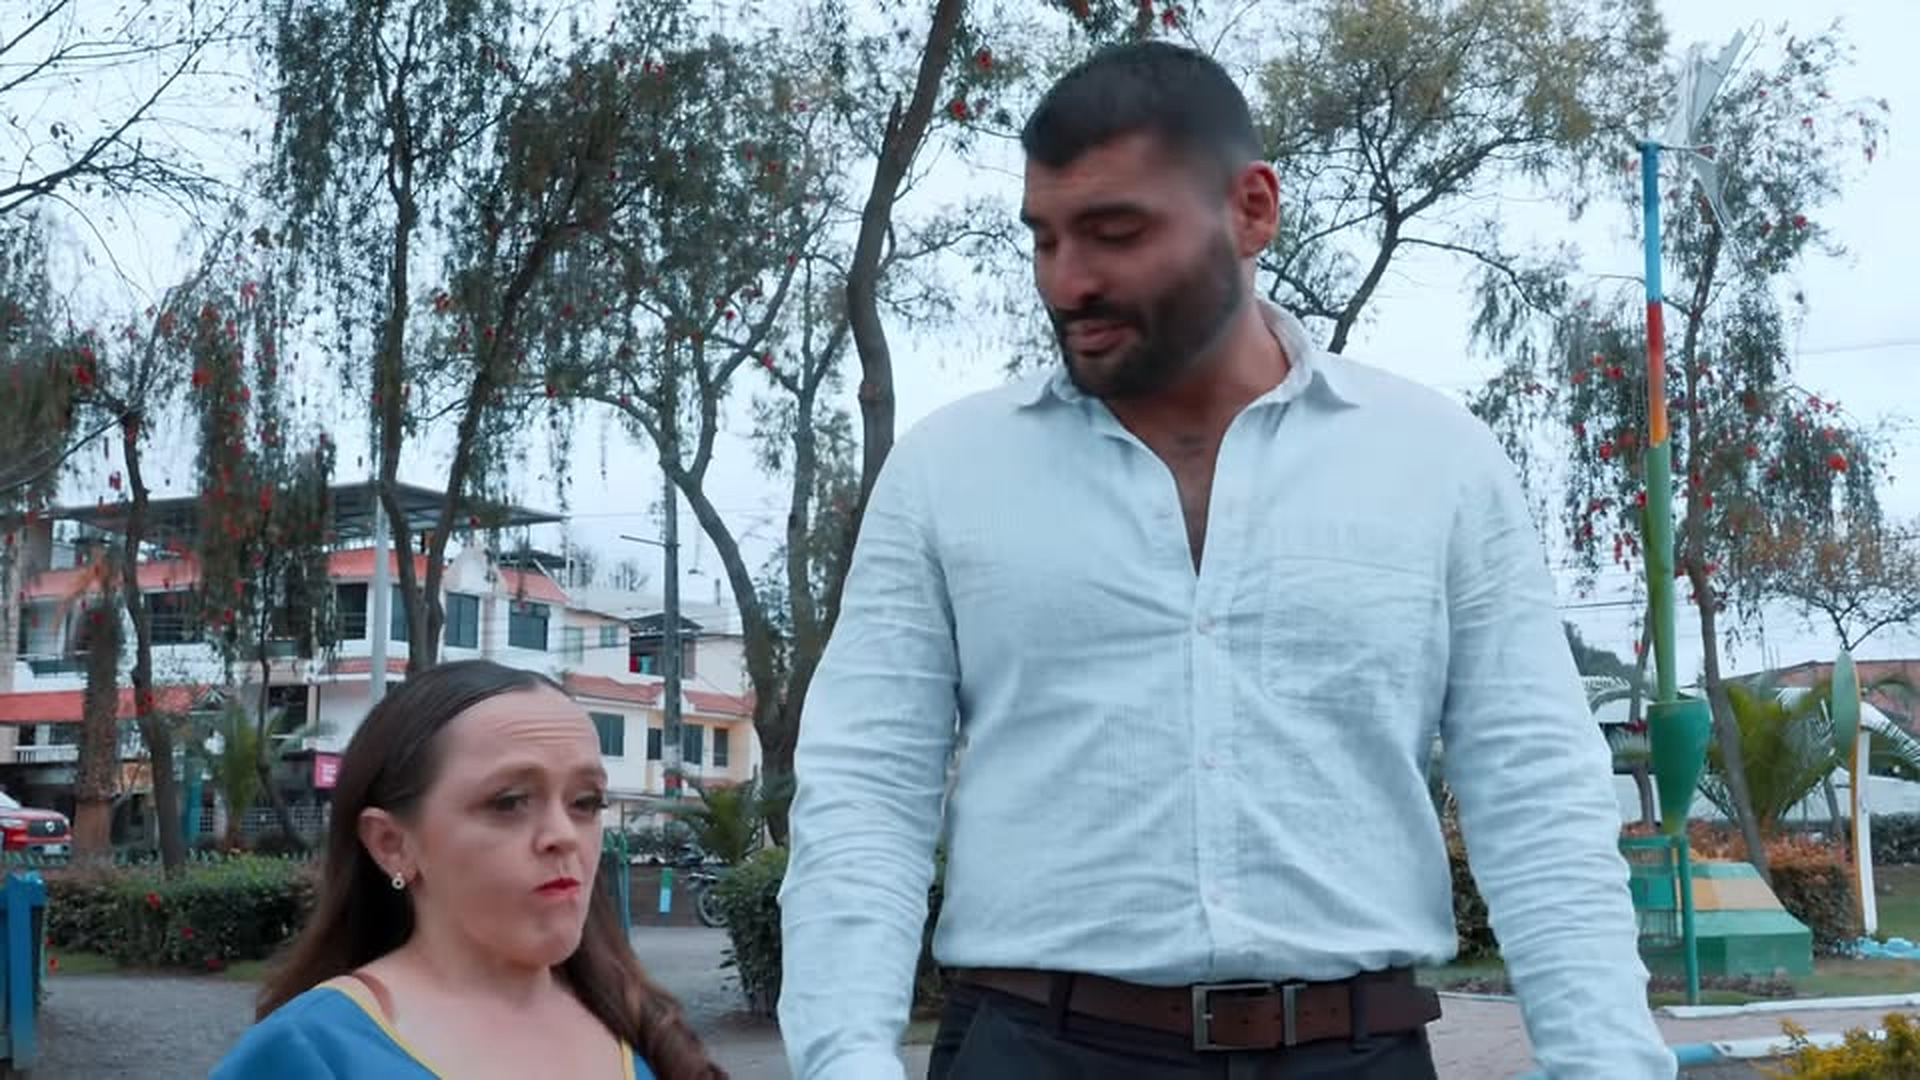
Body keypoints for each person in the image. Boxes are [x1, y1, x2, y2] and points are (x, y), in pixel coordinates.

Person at [777, 40, 1675, 1080]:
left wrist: (1606, 1062)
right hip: (1033, 1048)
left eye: (1115, 233)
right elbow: (865, 791)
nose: (1069, 281)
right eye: (1045, 239)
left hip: (1358, 1055)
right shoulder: (949, 470)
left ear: (1252, 210)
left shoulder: (1437, 461)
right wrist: (843, 1061)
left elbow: (1534, 784)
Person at [211, 659, 724, 1080]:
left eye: (585, 802)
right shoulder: (309, 1053)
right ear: (392, 844)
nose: (563, 834)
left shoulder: (645, 1035)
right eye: (509, 801)